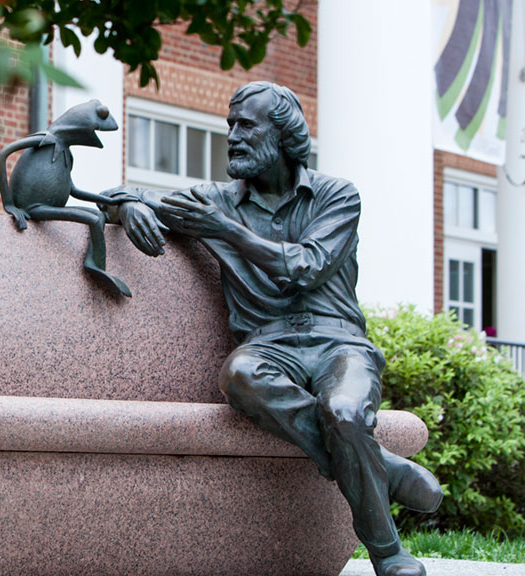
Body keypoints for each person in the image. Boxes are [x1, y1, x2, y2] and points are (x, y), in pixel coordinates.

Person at [102, 81, 441, 576]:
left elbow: (306, 265)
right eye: (229, 126)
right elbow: (115, 193)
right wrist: (129, 206)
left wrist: (226, 230)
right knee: (240, 375)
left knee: (345, 411)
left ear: (282, 134)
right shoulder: (216, 198)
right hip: (268, 347)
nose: (233, 137)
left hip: (338, 344)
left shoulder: (336, 196)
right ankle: (380, 466)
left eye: (245, 125)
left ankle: (387, 553)